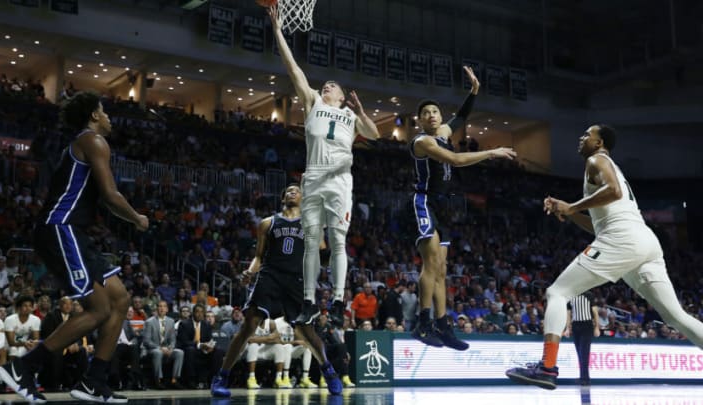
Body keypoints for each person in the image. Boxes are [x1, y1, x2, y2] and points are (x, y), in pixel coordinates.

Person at [506, 124, 703, 389]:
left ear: (600, 143)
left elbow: (614, 191)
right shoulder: (603, 167)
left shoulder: (596, 159)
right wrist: (570, 213)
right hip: (643, 242)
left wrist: (572, 205)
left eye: (587, 134)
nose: (581, 137)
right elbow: (599, 226)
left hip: (623, 239)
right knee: (676, 317)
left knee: (557, 293)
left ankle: (547, 368)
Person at [0, 91, 148, 403]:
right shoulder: (93, 140)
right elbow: (109, 194)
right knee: (99, 308)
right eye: (104, 111)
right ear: (94, 115)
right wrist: (137, 218)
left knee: (120, 299)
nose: (108, 117)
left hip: (74, 231)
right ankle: (23, 367)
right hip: (59, 227)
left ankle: (93, 382)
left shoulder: (88, 142)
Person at [268, 5, 382, 327]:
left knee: (337, 241)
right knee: (310, 242)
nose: (327, 85)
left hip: (339, 177)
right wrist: (278, 31)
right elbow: (293, 70)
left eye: (333, 85)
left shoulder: (349, 114)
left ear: (343, 95)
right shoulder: (312, 101)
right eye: (326, 84)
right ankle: (308, 300)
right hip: (314, 175)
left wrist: (361, 112)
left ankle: (336, 299)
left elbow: (374, 136)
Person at [408, 67, 516, 350]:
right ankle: (422, 324)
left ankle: (443, 327)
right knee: (431, 264)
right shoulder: (423, 141)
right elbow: (455, 160)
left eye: (435, 111)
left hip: (444, 205)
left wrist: (474, 91)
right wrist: (492, 152)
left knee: (442, 270)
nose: (431, 115)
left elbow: (462, 117)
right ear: (419, 121)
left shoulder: (444, 131)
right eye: (426, 113)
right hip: (425, 202)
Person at [211, 184, 343, 398]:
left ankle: (329, 371)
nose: (292, 191)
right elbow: (259, 256)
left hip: (297, 280)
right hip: (270, 277)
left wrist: (336, 251)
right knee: (249, 326)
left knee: (306, 331)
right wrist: (250, 271)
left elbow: (322, 256)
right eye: (288, 191)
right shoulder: (267, 223)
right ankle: (222, 376)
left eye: (296, 190)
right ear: (283, 198)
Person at [177, 304, 224, 389]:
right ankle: (192, 381)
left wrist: (210, 347)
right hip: (190, 349)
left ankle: (213, 380)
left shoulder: (206, 325)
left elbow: (209, 340)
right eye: (197, 312)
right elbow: (184, 342)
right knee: (190, 350)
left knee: (218, 351)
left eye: (202, 312)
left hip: (204, 350)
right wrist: (200, 345)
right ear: (193, 313)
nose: (199, 314)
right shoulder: (184, 324)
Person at [143, 301, 183, 390]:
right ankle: (158, 380)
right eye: (160, 306)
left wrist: (170, 348)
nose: (162, 308)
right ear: (157, 309)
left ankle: (174, 380)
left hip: (167, 349)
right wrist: (160, 348)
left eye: (164, 306)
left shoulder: (171, 321)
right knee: (158, 353)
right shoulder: (149, 322)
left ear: (167, 309)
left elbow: (173, 339)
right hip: (153, 349)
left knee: (179, 352)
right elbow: (146, 341)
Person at [564, 292, 599, 386]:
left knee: (584, 352)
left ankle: (585, 379)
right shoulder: (570, 296)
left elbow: (595, 312)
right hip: (576, 325)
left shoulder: (589, 295)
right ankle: (583, 377)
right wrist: (568, 328)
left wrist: (596, 327)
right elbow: (568, 314)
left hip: (587, 325)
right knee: (579, 353)